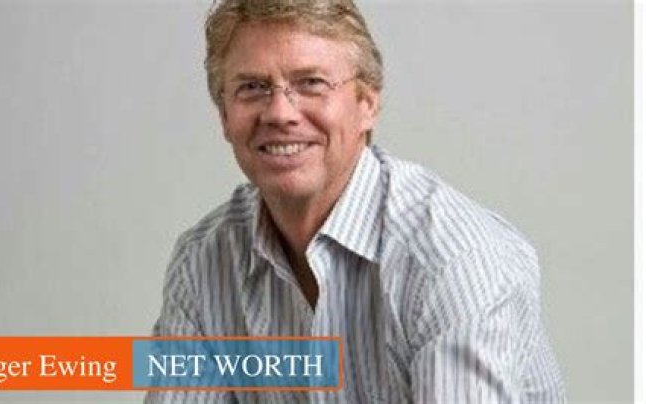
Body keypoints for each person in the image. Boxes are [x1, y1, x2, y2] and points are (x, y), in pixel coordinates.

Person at [146, 0, 565, 402]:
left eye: (311, 83)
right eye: (252, 88)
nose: (279, 113)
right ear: (224, 116)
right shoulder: (204, 261)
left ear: (367, 104)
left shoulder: (453, 260)